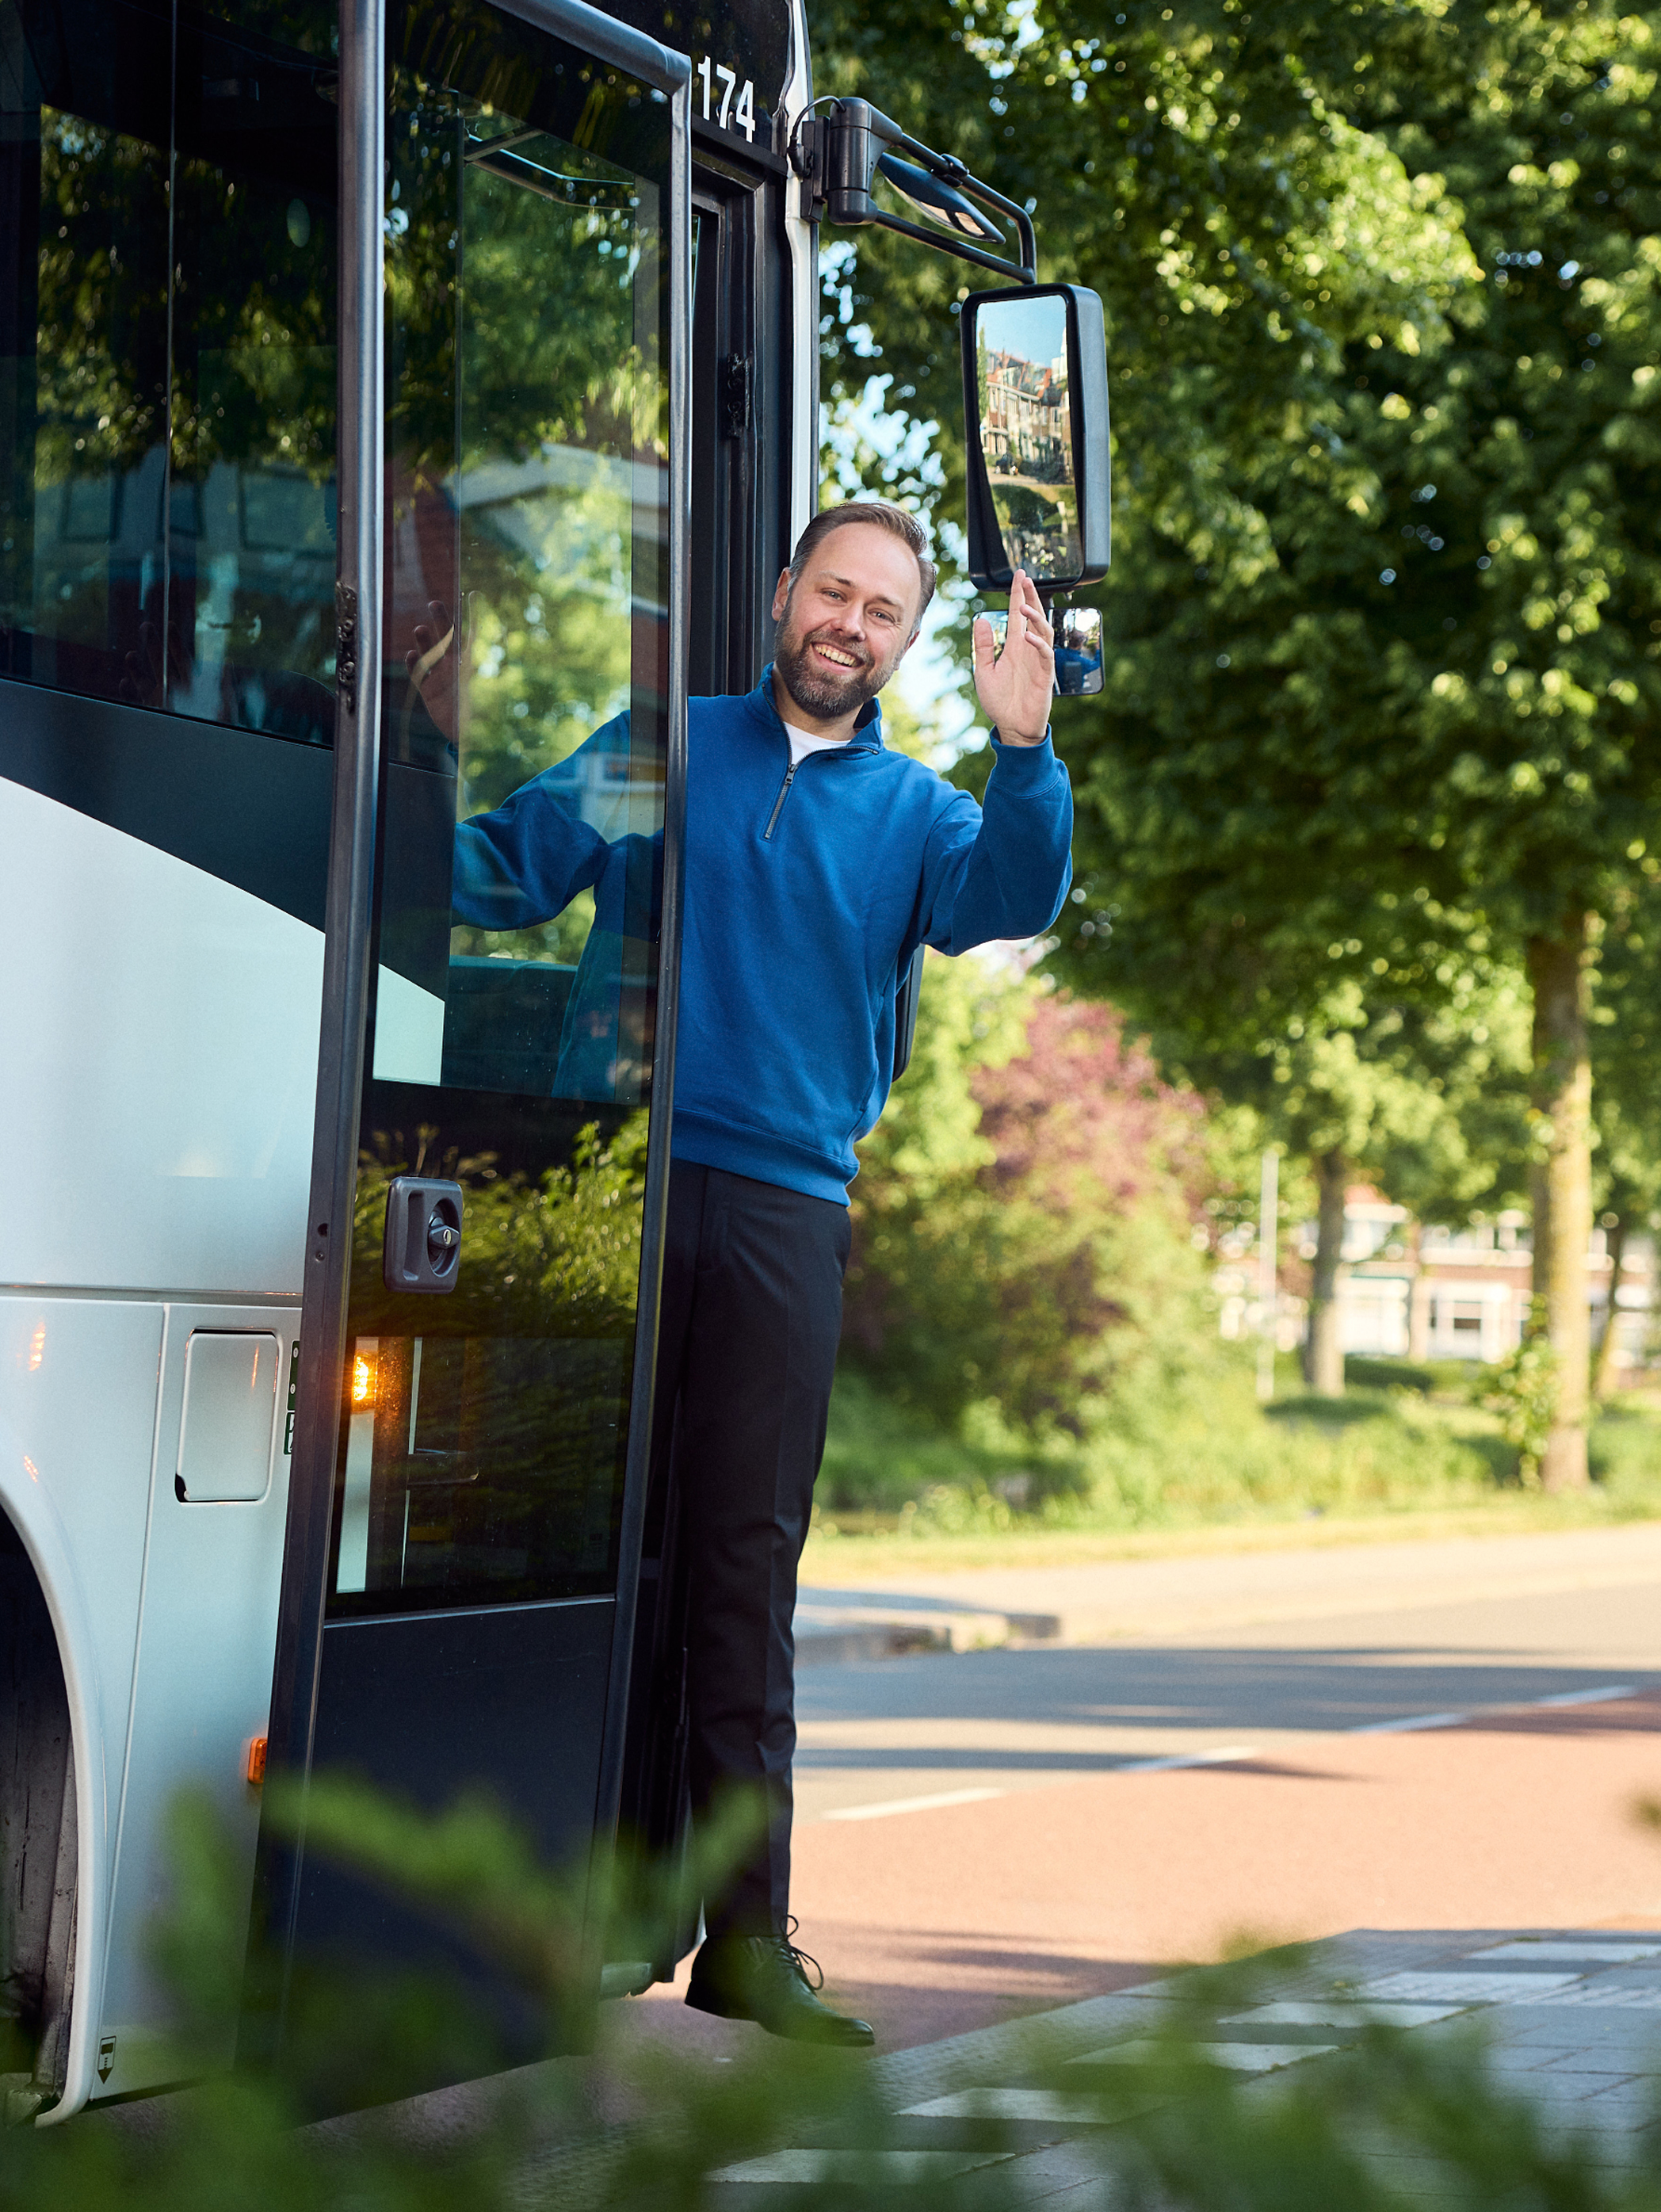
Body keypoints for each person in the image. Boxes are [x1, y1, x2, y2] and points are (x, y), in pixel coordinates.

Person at [418, 499, 1073, 2046]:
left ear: (907, 647)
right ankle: (519, 1905)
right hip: (616, 1189)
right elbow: (501, 871)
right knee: (573, 1544)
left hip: (782, 1214)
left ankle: (748, 1946)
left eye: (883, 614)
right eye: (832, 593)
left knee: (738, 1580)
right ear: (783, 596)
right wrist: (337, 780)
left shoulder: (921, 815)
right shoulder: (664, 742)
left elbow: (1016, 900)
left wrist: (1025, 748)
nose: (850, 625)